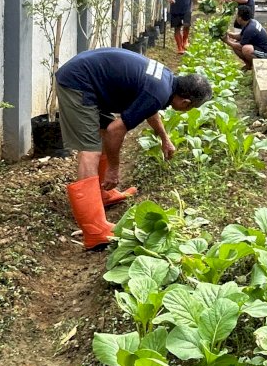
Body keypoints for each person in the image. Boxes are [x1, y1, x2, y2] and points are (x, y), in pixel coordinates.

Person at [54, 48, 212, 251]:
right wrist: (113, 167)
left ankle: (102, 194)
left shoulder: (166, 80)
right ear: (185, 102)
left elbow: (149, 107)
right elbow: (115, 131)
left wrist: (165, 138)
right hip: (78, 83)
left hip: (89, 80)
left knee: (101, 135)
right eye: (190, 108)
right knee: (90, 151)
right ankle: (94, 232)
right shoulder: (159, 91)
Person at [223, 5, 267, 70]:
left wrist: (227, 41)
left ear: (240, 18)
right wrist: (229, 34)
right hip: (257, 48)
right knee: (236, 45)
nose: (236, 17)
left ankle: (258, 68)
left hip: (265, 54)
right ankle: (249, 65)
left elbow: (240, 46)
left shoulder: (250, 29)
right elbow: (240, 36)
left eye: (237, 16)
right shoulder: (250, 22)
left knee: (246, 49)